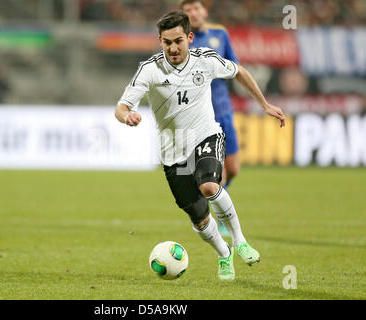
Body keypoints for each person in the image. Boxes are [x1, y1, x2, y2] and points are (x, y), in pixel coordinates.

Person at [114, 11, 285, 280]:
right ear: (160, 41)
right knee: (200, 219)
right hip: (173, 153)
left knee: (209, 185)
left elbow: (239, 71)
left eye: (178, 41)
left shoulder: (206, 60)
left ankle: (239, 239)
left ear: (189, 38)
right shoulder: (149, 70)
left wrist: (264, 104)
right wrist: (128, 116)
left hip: (206, 136)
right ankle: (224, 253)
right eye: (167, 42)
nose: (172, 47)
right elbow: (121, 107)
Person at [181, 0, 241, 237]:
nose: (193, 13)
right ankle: (220, 217)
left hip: (224, 110)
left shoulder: (221, 34)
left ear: (204, 11)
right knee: (218, 172)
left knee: (233, 168)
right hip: (204, 117)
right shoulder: (184, 40)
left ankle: (214, 202)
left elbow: (235, 67)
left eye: (196, 9)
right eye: (187, 11)